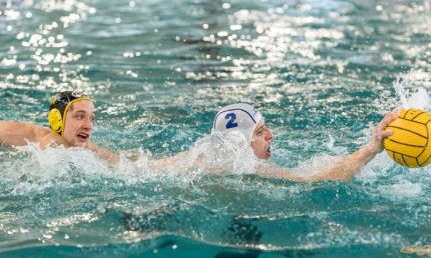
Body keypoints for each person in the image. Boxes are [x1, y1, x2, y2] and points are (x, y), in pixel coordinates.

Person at [149, 103, 399, 183]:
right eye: (259, 131)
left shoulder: (195, 157)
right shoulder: (253, 168)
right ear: (240, 143)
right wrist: (371, 149)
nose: (270, 135)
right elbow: (319, 179)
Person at [0, 91, 119, 163]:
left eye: (91, 118)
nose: (89, 126)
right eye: (80, 116)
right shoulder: (24, 137)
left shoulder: (91, 152)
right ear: (56, 119)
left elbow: (128, 164)